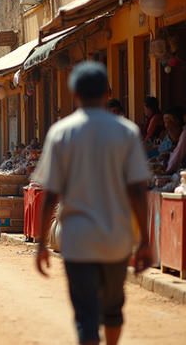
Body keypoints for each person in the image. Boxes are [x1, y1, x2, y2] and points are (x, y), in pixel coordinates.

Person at [33, 62, 151, 345]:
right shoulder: (127, 132)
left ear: (74, 93)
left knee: (86, 315)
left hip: (77, 241)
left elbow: (50, 194)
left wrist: (40, 243)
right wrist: (146, 240)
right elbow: (137, 191)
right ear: (107, 92)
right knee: (113, 309)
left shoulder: (61, 133)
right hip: (117, 239)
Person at [162, 105, 186, 175]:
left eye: (167, 121)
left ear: (177, 121)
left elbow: (175, 162)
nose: (166, 126)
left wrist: (163, 173)